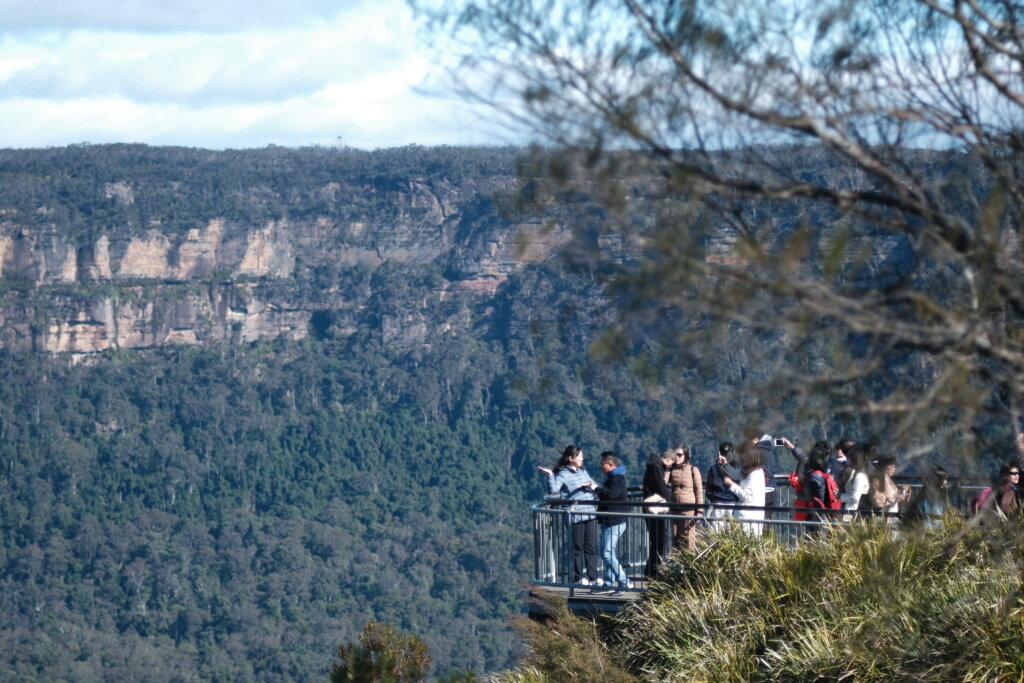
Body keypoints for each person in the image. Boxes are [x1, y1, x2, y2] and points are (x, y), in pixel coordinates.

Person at [537, 445, 599, 585]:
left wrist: (589, 485)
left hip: (590, 513)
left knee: (590, 547)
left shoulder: (582, 471)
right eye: (580, 456)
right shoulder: (563, 474)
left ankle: (593, 577)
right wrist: (551, 476)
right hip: (575, 515)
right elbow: (554, 491)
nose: (582, 459)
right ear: (571, 458)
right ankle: (578, 578)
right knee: (577, 548)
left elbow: (593, 484)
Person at [591, 452, 633, 594]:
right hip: (610, 519)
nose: (600, 466)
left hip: (615, 520)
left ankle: (624, 581)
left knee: (606, 553)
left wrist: (595, 489)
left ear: (611, 465)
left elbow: (611, 495)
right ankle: (608, 582)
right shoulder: (613, 477)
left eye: (602, 464)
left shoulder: (617, 479)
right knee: (607, 552)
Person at [642, 450, 674, 578]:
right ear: (668, 459)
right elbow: (661, 487)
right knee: (660, 539)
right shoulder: (657, 468)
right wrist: (670, 497)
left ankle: (650, 570)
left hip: (649, 508)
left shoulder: (653, 466)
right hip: (654, 508)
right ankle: (654, 570)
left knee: (657, 539)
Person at [724, 442, 767, 536]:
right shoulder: (750, 470)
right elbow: (735, 474)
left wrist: (731, 485)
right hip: (745, 515)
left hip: (748, 517)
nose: (743, 457)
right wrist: (725, 465)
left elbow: (746, 496)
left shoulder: (755, 474)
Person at [668, 445, 704, 551]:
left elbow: (698, 491)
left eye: (679, 455)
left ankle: (690, 565)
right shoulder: (671, 470)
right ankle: (678, 566)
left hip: (689, 510)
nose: (677, 457)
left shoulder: (693, 470)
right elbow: (663, 482)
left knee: (689, 540)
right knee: (676, 540)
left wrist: (700, 511)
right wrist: (667, 467)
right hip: (675, 510)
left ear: (686, 456)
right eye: (675, 455)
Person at [705, 441, 741, 523]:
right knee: (729, 530)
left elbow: (708, 489)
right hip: (729, 503)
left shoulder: (714, 468)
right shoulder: (737, 468)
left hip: (723, 503)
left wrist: (714, 498)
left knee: (720, 530)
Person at [867, 454, 911, 519]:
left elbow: (899, 501)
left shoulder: (889, 480)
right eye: (892, 466)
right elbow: (877, 500)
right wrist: (894, 497)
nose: (894, 469)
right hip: (882, 518)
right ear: (884, 467)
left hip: (892, 516)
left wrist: (905, 492)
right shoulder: (877, 480)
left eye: (894, 466)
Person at [838, 445, 872, 518]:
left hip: (854, 513)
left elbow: (855, 497)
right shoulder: (857, 474)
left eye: (849, 458)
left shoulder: (860, 476)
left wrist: (840, 496)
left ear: (854, 459)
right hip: (851, 512)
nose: (847, 460)